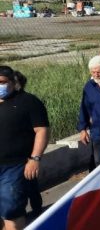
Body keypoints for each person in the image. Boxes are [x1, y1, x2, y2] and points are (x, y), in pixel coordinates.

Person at [0, 66, 49, 230]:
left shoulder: (28, 102)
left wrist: (35, 158)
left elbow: (42, 130)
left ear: (13, 82)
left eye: (2, 82)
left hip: (16, 165)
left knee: (11, 207)